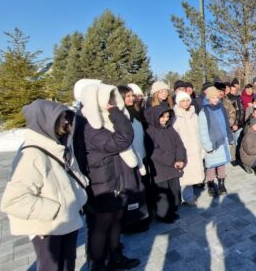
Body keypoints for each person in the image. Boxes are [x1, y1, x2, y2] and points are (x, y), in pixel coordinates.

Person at [1, 100, 88, 271]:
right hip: (48, 227)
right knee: (52, 267)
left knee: (67, 263)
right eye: (61, 118)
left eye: (66, 117)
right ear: (44, 120)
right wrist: (55, 210)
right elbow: (13, 201)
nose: (65, 122)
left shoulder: (56, 146)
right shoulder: (31, 155)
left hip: (65, 221)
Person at [80, 84, 141, 270]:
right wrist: (116, 112)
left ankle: (116, 256)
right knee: (102, 223)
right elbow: (122, 139)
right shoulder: (90, 124)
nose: (113, 104)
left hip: (118, 178)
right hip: (103, 182)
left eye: (114, 100)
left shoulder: (106, 120)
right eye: (110, 101)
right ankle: (97, 263)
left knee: (116, 219)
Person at [144, 105, 187, 223]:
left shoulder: (170, 128)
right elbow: (154, 152)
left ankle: (172, 210)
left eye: (167, 116)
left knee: (173, 189)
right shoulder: (149, 132)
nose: (165, 119)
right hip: (160, 169)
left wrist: (180, 159)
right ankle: (163, 215)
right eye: (162, 117)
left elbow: (179, 144)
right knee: (163, 193)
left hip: (174, 167)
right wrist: (172, 161)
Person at [117, 86, 149, 233]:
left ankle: (142, 217)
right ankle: (131, 223)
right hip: (130, 158)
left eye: (132, 95)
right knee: (132, 191)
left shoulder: (136, 112)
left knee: (142, 188)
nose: (131, 98)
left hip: (142, 154)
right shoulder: (119, 116)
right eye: (127, 96)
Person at [199, 86, 233, 197]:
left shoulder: (222, 108)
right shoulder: (204, 112)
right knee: (211, 165)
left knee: (222, 163)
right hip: (212, 142)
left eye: (216, 97)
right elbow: (203, 131)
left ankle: (222, 183)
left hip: (223, 140)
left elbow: (227, 125)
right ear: (208, 98)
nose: (215, 99)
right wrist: (208, 146)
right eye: (212, 97)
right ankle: (210, 184)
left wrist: (230, 139)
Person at [173, 92, 205, 205]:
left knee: (191, 175)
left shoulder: (194, 115)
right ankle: (187, 197)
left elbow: (199, 132)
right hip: (183, 150)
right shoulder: (175, 117)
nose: (185, 103)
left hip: (195, 149)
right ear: (178, 102)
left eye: (187, 100)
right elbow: (174, 137)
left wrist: (201, 148)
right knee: (184, 175)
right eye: (182, 101)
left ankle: (188, 195)